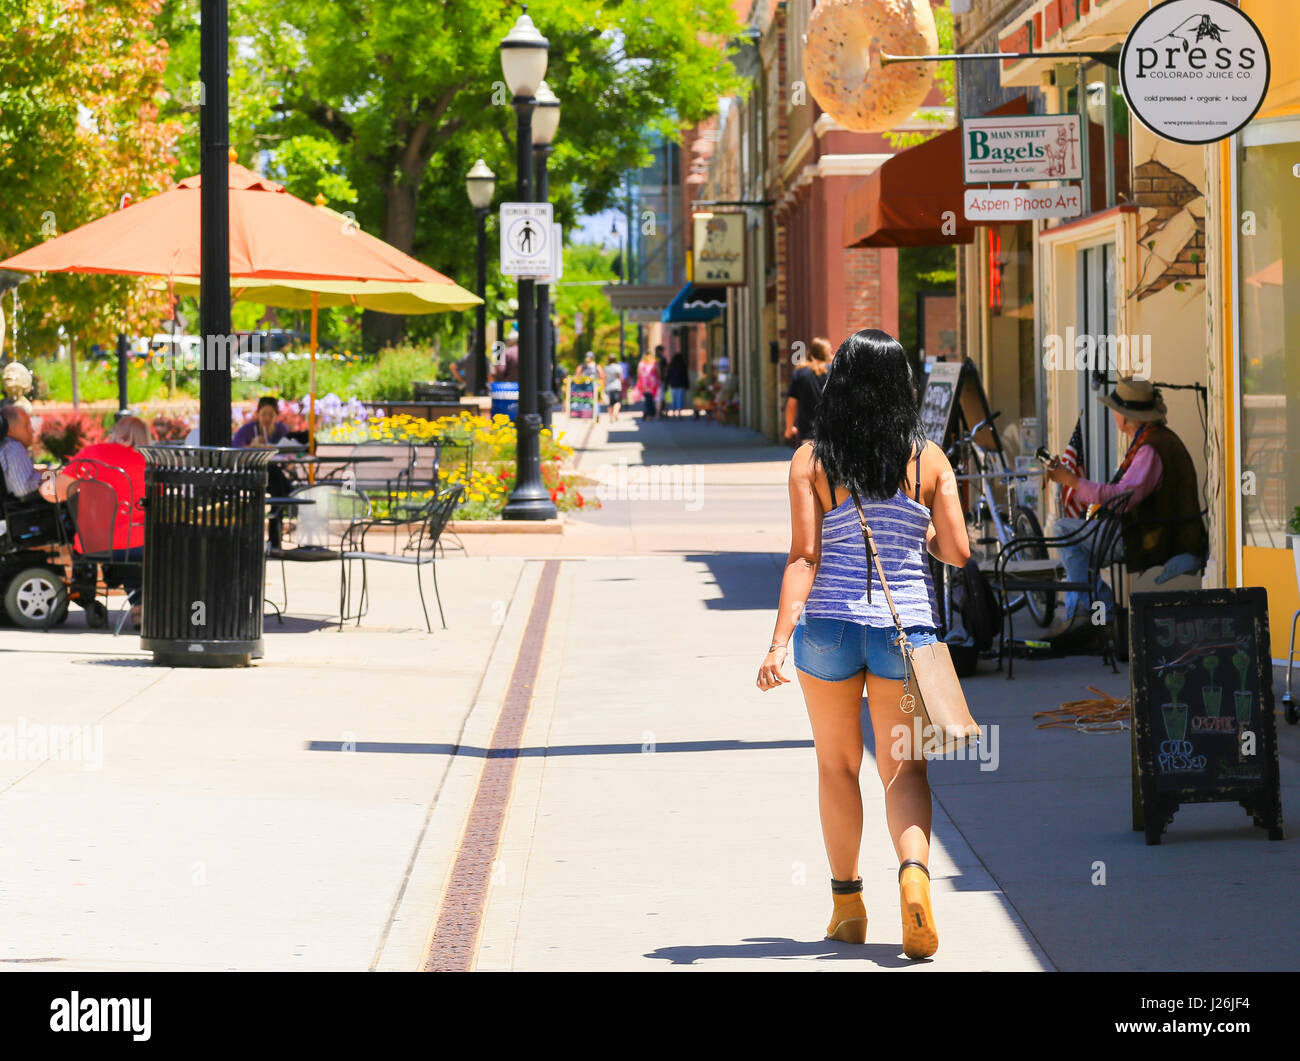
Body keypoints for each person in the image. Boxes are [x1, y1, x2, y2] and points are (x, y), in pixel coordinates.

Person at [756, 329, 970, 960]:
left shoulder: (811, 460)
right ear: (902, 385)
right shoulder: (929, 460)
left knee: (836, 765)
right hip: (905, 634)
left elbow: (803, 558)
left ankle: (847, 907)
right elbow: (956, 552)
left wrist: (777, 644)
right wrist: (923, 532)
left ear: (838, 383)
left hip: (826, 630)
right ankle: (913, 877)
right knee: (903, 770)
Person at [1043, 377, 1207, 638]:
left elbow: (1122, 498)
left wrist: (1071, 481)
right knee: (1076, 543)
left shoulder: (1151, 449)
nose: (1114, 415)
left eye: (1116, 411)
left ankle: (1097, 613)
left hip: (1149, 536)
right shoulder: (1155, 440)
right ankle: (1087, 614)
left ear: (1127, 417)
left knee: (1063, 529)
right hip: (1154, 530)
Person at [40, 415, 152, 627]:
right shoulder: (151, 463)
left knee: (123, 548)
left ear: (116, 433)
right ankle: (142, 609)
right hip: (139, 545)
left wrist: (45, 481)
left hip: (93, 544)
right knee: (141, 548)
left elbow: (54, 493)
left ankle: (138, 607)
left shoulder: (92, 454)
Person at [784, 336, 833, 445]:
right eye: (830, 351)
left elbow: (791, 404)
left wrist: (789, 428)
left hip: (808, 433)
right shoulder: (833, 371)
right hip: (831, 432)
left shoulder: (800, 373)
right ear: (825, 353)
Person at [0, 405, 48, 499]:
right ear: (10, 429)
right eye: (27, 426)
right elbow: (22, 489)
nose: (32, 430)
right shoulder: (14, 448)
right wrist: (46, 476)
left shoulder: (4, 447)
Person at [636, 351, 661, 421]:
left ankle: (647, 414)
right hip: (652, 383)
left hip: (644, 383)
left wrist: (639, 382)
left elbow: (639, 374)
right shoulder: (653, 362)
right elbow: (658, 372)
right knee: (650, 399)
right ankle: (649, 414)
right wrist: (659, 380)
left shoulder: (641, 363)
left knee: (647, 399)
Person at [666, 350, 689, 418]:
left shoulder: (671, 365)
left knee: (674, 399)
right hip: (681, 385)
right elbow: (685, 376)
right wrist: (687, 385)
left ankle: (673, 412)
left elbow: (669, 375)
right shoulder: (683, 365)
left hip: (673, 384)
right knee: (679, 399)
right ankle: (679, 413)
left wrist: (667, 383)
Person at [604, 357, 625, 423]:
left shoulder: (606, 368)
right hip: (617, 386)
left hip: (609, 386)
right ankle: (615, 412)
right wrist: (622, 383)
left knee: (611, 403)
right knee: (617, 401)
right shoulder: (618, 367)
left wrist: (604, 385)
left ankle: (611, 417)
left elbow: (604, 377)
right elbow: (620, 376)